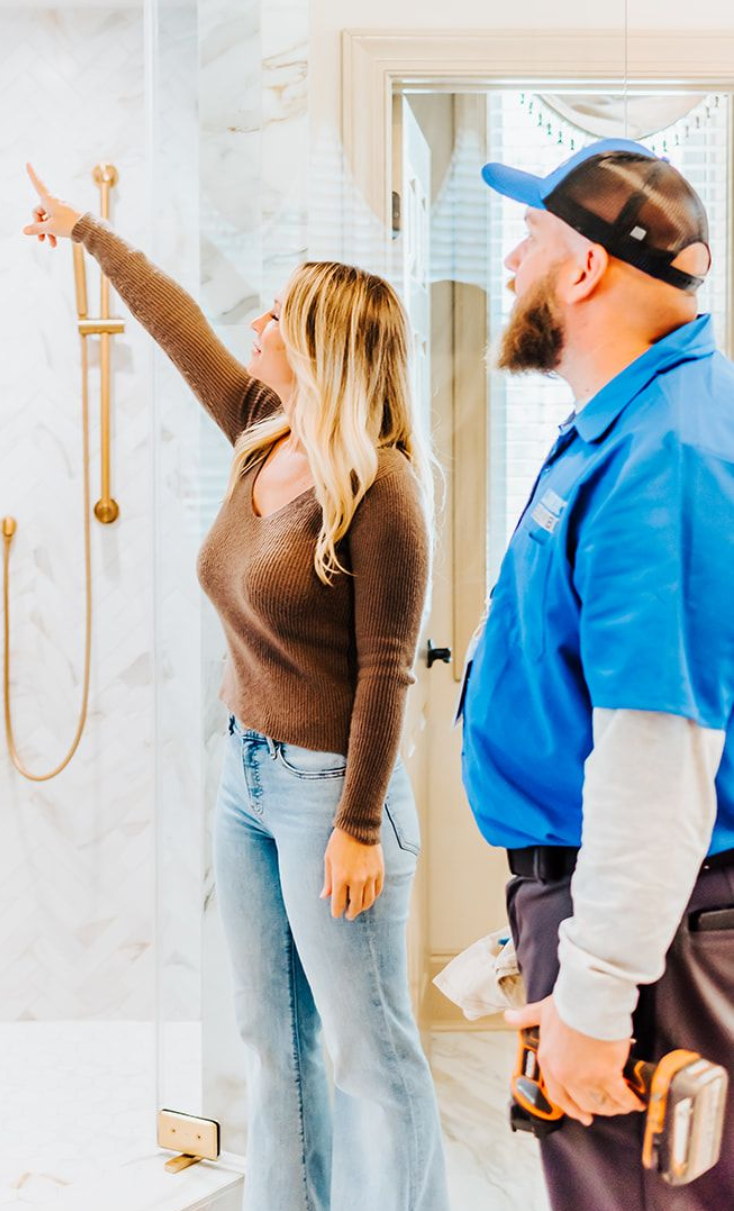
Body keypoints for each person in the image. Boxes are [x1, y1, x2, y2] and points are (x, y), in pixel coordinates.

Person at [22, 165, 448, 1211]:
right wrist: (88, 232)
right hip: (246, 776)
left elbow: (387, 668)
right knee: (274, 1040)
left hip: (331, 791)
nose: (255, 321)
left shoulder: (381, 490)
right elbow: (177, 327)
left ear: (320, 344)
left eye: (277, 310)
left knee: (368, 1046)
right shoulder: (267, 429)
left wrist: (355, 823)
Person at [461, 137, 734, 1209]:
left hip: (651, 927)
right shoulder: (623, 425)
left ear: (583, 269)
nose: (511, 261)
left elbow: (659, 753)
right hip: (615, 905)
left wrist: (597, 993)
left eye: (530, 237)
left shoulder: (667, 450)